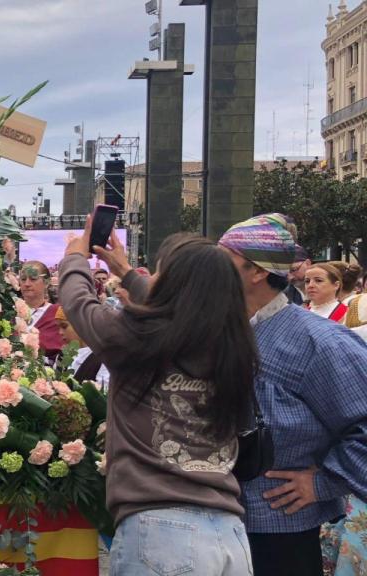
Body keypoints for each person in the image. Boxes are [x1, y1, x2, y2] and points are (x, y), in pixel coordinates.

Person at [60, 221, 259, 576]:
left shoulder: (135, 339)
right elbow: (182, 309)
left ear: (171, 286)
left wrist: (75, 256)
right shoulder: (235, 347)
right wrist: (125, 272)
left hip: (160, 530)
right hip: (229, 533)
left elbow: (77, 301)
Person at [212, 214, 367, 576]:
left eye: (223, 261)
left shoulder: (320, 341)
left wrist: (323, 482)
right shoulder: (227, 327)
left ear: (257, 272)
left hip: (281, 529)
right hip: (221, 519)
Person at [53, 306, 110, 390]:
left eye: (64, 326)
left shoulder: (104, 358)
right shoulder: (62, 355)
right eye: (58, 327)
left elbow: (103, 396)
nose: (60, 332)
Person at [18, 260, 64, 361]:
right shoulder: (7, 313)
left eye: (33, 279)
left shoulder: (58, 313)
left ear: (46, 282)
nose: (27, 284)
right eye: (23, 279)